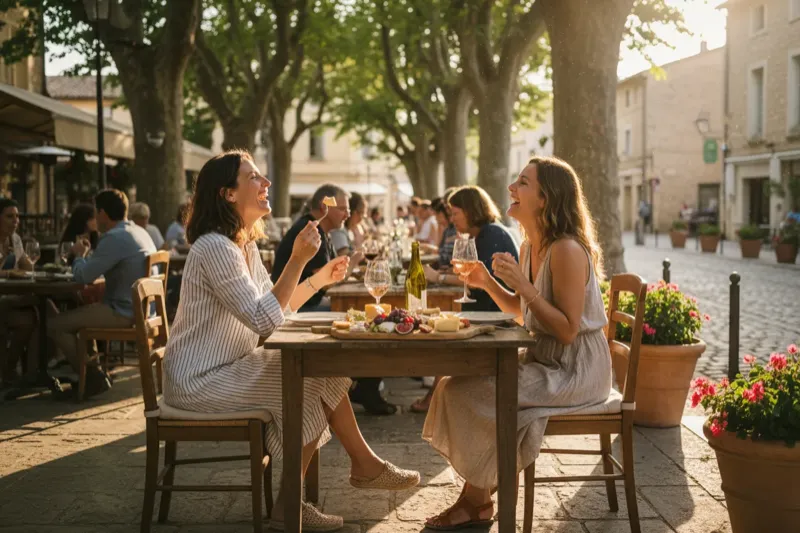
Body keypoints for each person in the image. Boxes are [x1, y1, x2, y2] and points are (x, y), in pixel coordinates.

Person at [163, 150, 419, 531]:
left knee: (320, 368)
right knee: (308, 375)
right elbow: (265, 320)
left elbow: (275, 306)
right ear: (227, 194)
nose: (266, 183)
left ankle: (342, 476)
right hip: (198, 380)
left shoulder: (242, 246)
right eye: (253, 177)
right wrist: (298, 260)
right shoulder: (215, 247)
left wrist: (319, 280)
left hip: (228, 367)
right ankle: (322, 487)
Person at [422, 156, 612, 529]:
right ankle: (476, 500)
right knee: (452, 387)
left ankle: (475, 501)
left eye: (523, 183)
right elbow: (524, 313)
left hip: (576, 370)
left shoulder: (567, 250)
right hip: (545, 361)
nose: (511, 188)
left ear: (546, 198)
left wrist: (523, 286)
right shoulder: (529, 247)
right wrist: (486, 282)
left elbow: (569, 330)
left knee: (474, 394)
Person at [412, 186, 518, 413]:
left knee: (445, 330)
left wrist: (439, 276)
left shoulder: (492, 235)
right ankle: (436, 394)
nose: (451, 219)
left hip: (499, 316)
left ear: (470, 211)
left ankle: (436, 397)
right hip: (488, 311)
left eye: (455, 213)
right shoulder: (483, 234)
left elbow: (481, 283)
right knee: (442, 323)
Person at [47, 189, 157, 399]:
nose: (95, 217)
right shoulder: (139, 232)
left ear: (104, 213)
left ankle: (91, 378)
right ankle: (95, 374)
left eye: (97, 212)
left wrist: (79, 255)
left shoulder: (114, 237)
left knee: (54, 325)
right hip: (143, 311)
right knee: (83, 315)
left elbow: (83, 277)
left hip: (124, 312)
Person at [271, 184, 350, 311]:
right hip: (296, 307)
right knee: (346, 309)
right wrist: (355, 262)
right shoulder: (310, 232)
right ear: (325, 206)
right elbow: (327, 284)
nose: (347, 215)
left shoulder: (322, 232)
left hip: (304, 303)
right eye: (343, 209)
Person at [0, 198, 39, 386]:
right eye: (9, 216)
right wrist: (8, 270)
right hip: (4, 298)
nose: (15, 220)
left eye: (17, 216)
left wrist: (32, 260)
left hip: (8, 297)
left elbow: (27, 266)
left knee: (31, 318)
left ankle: (12, 369)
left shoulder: (14, 239)